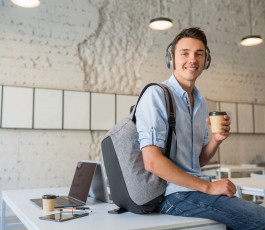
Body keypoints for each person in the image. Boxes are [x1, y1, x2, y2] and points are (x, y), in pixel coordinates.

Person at [135, 27, 265, 230]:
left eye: (199, 53)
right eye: (185, 53)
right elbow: (152, 162)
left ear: (206, 60)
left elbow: (199, 160)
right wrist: (208, 187)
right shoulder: (156, 95)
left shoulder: (201, 103)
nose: (192, 59)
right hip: (173, 195)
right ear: (172, 58)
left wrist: (216, 139)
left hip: (194, 190)